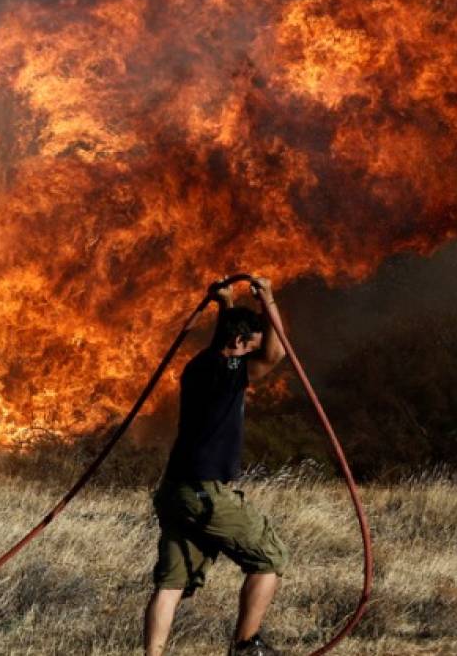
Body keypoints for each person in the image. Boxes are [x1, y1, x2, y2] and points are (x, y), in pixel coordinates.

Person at [144, 276, 289, 656]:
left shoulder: (199, 366)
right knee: (269, 557)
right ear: (239, 344)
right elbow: (276, 355)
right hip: (205, 492)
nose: (254, 356)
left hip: (174, 490)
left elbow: (224, 342)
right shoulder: (230, 373)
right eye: (250, 346)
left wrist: (225, 303)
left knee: (170, 584)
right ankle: (245, 647)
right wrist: (268, 301)